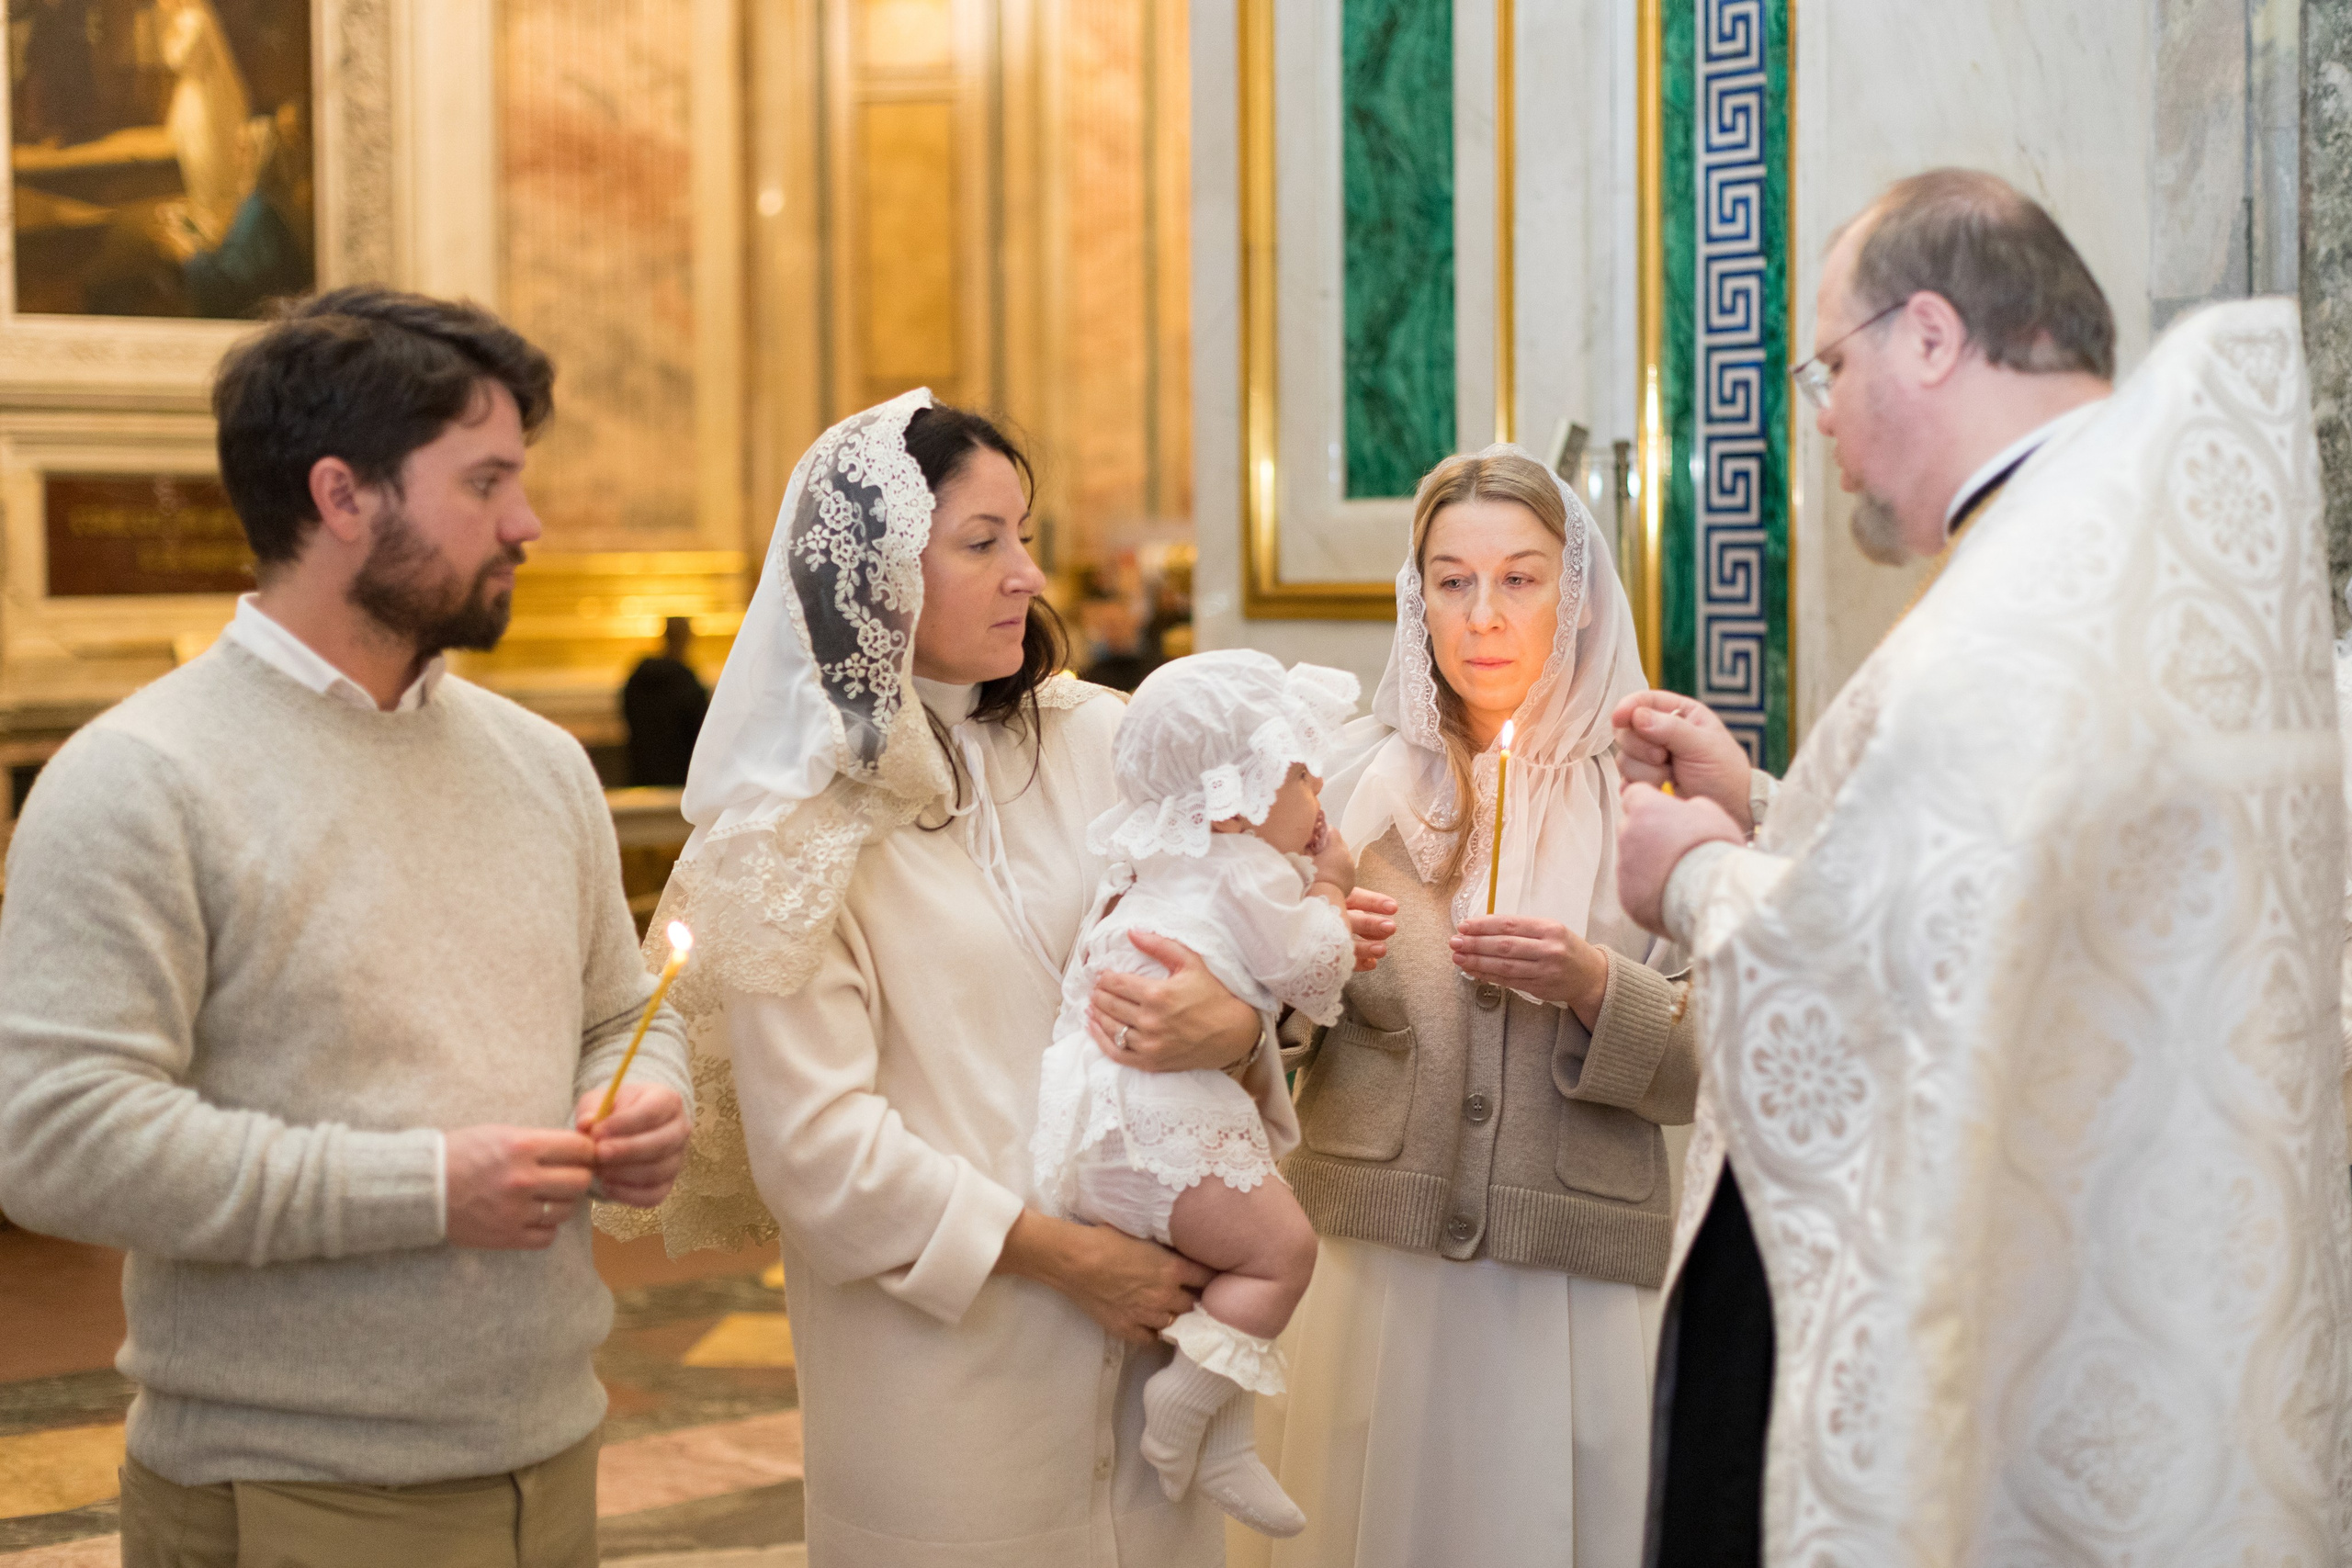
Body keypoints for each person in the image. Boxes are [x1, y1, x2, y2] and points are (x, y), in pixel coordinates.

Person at [1614, 169, 2352, 1564]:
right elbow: (2004, 895)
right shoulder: (2123, 560)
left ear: (1932, 335)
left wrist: (1697, 875)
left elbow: (1873, 981)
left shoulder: (2016, 613)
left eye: (1827, 366)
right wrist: (1768, 807)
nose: (1821, 415)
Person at [0, 287, 694, 1567]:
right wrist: (427, 1188)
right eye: (485, 482)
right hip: (293, 1490)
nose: (527, 523)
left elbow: (616, 1007)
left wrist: (638, 1088)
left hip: (554, 1446)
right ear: (341, 496)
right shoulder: (140, 777)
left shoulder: (539, 765)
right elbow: (56, 1141)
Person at [608, 390, 1317, 1566]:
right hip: (947, 1383)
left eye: (1025, 536)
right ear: (877, 575)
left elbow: (1232, 949)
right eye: (983, 543)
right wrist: (1073, 1259)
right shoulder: (788, 831)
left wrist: (1238, 1027)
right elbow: (822, 1153)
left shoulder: (1106, 739)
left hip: (1154, 1352)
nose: (1028, 574)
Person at [1245, 446, 1700, 1568]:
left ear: (1578, 597)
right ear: (1417, 600)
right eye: (1452, 581)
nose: (1483, 616)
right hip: (1375, 1274)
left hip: (1571, 1286)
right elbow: (1246, 1039)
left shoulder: (1655, 800)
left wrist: (1597, 986)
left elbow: (1726, 1061)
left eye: (1520, 578)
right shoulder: (1346, 789)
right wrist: (1311, 961)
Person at [1033, 649, 1362, 1539]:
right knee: (1280, 1256)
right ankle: (1182, 1407)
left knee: (1231, 1266)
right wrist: (1331, 884)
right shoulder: (1243, 868)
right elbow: (1314, 964)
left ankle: (1222, 1446)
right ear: (1231, 800)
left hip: (1088, 1126)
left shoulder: (1142, 862)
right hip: (1158, 1121)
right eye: (1295, 771)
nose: (1316, 784)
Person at [622, 615, 710, 785]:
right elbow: (700, 730)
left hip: (642, 773)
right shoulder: (686, 682)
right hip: (680, 776)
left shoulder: (639, 678)